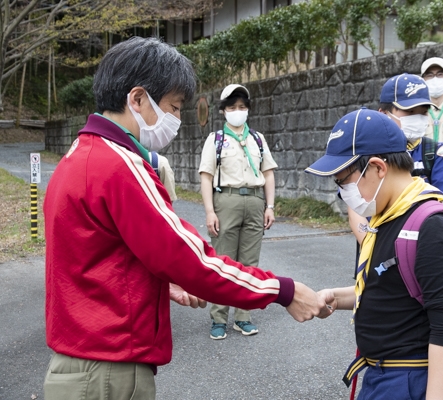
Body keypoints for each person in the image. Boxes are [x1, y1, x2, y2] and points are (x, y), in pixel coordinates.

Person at [43, 36, 328, 400]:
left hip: (79, 361)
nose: (177, 119)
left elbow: (103, 255)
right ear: (137, 99)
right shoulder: (121, 167)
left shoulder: (78, 155)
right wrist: (282, 290)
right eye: (174, 107)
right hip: (107, 371)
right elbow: (190, 258)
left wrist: (163, 280)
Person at [307, 108, 443, 400]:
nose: (344, 192)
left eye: (344, 181)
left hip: (412, 379)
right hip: (383, 375)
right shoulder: (388, 215)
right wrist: (337, 296)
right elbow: (391, 289)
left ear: (379, 168)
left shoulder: (429, 226)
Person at [198, 83, 277, 339]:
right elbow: (206, 177)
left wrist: (270, 206)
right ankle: (219, 318)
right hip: (227, 201)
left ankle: (243, 316)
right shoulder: (216, 139)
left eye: (242, 107)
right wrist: (210, 211)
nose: (237, 111)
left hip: (255, 202)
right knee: (223, 262)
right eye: (232, 107)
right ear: (223, 111)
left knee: (249, 263)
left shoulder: (258, 139)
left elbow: (268, 173)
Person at [347, 73, 443, 244]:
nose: (417, 117)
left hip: (418, 246)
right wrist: (371, 245)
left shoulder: (435, 153)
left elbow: (442, 208)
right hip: (372, 244)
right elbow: (355, 207)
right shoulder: (367, 150)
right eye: (409, 111)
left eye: (423, 112)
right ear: (384, 113)